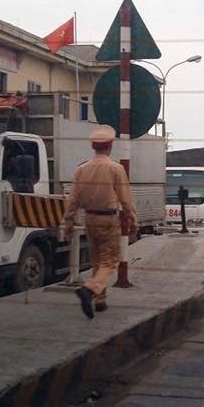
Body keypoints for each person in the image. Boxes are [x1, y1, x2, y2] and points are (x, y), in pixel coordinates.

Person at [62, 125, 137, 319]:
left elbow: (73, 199)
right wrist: (132, 218)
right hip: (108, 219)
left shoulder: (81, 169)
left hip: (90, 219)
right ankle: (90, 289)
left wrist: (68, 222)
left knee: (97, 260)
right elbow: (125, 198)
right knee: (110, 261)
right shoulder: (116, 168)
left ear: (93, 146)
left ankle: (100, 300)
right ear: (110, 146)